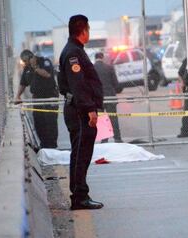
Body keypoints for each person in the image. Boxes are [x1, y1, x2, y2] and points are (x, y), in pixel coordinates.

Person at [58, 15, 104, 210]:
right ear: (83, 31)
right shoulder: (73, 54)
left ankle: (80, 194)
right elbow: (79, 85)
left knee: (82, 153)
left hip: (79, 108)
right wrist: (90, 109)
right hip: (79, 110)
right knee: (80, 154)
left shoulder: (75, 51)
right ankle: (79, 197)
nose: (89, 33)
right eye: (89, 29)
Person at [15, 49, 58, 149]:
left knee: (50, 122)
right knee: (39, 122)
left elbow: (47, 74)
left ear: (30, 58)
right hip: (37, 98)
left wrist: (35, 67)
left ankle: (52, 145)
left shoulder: (44, 62)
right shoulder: (27, 69)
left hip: (49, 97)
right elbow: (23, 83)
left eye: (25, 61)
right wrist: (18, 96)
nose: (25, 63)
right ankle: (44, 145)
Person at [94, 52, 123, 143]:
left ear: (95, 58)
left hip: (98, 98)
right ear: (102, 58)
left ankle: (104, 140)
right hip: (110, 96)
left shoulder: (91, 69)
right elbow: (116, 84)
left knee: (101, 119)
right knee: (113, 117)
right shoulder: (109, 67)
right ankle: (117, 139)